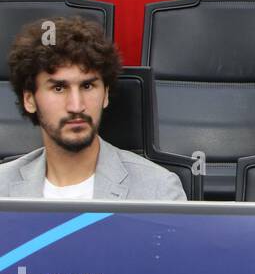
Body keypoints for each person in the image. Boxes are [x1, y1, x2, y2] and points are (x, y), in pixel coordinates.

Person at [0, 17, 186, 201]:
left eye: (87, 86)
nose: (76, 106)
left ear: (105, 94)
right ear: (29, 99)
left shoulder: (159, 190)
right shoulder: (3, 186)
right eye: (59, 88)